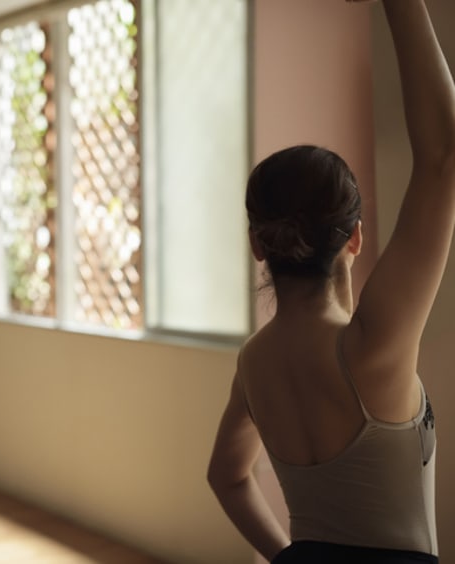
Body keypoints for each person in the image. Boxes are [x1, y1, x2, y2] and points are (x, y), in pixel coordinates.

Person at [207, 0, 455, 563]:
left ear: (257, 246)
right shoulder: (370, 347)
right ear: (355, 238)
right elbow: (442, 157)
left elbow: (227, 477)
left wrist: (286, 557)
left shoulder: (254, 364)